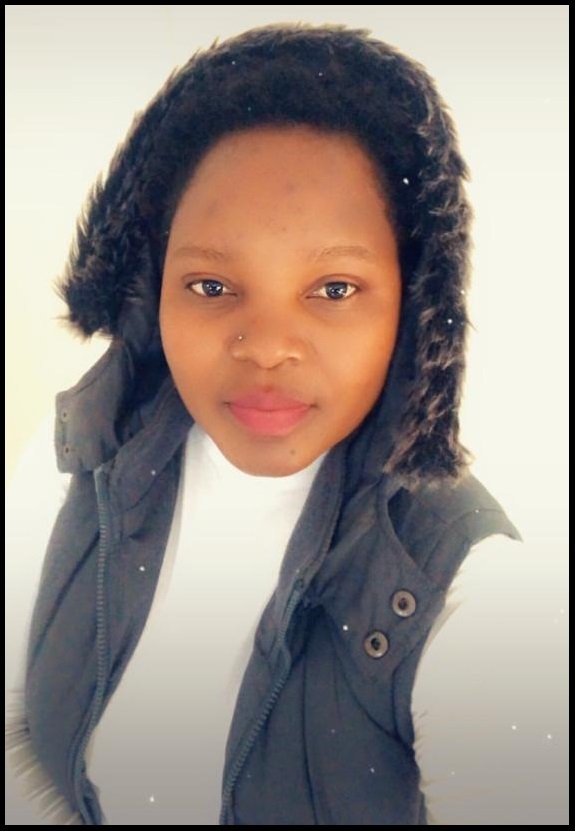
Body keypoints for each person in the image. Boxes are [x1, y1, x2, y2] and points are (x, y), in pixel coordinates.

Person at [5, 21, 544, 826]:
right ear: (154, 285)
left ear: (412, 304)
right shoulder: (78, 457)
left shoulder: (470, 587)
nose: (266, 347)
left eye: (333, 289)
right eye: (212, 286)